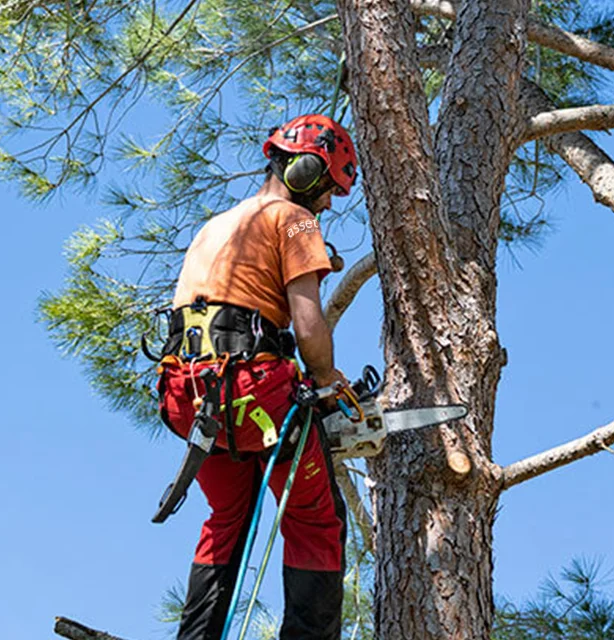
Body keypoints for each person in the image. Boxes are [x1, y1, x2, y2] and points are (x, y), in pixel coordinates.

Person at [155, 114, 359, 639]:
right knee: (316, 522)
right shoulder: (294, 220)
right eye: (329, 188)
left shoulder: (215, 225)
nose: (329, 203)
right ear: (307, 170)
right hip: (254, 393)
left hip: (189, 398)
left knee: (227, 520)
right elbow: (309, 326)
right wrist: (330, 384)